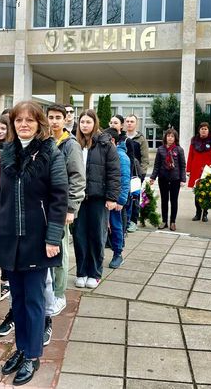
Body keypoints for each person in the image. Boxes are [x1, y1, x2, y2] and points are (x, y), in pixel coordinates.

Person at [0, 101, 68, 386]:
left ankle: (33, 354)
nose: (24, 124)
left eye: (29, 120)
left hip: (37, 239)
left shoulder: (51, 153)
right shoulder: (7, 154)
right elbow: (0, 195)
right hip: (9, 238)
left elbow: (59, 198)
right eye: (19, 120)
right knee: (17, 300)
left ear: (39, 123)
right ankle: (22, 348)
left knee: (34, 300)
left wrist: (53, 238)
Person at [36, 104, 86, 343]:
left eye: (58, 118)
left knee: (60, 251)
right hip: (41, 206)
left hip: (60, 207)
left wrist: (71, 208)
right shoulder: (43, 142)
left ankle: (58, 292)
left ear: (66, 120)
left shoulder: (70, 145)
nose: (54, 121)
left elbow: (77, 177)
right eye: (51, 117)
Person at [74, 110, 120, 289]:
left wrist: (112, 197)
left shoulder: (105, 144)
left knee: (96, 236)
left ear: (95, 124)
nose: (85, 125)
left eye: (88, 122)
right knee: (79, 236)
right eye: (82, 122)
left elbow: (114, 172)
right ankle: (82, 271)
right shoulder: (75, 143)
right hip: (79, 198)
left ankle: (95, 272)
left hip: (98, 198)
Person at [150, 128, 186, 231]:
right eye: (168, 136)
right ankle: (164, 221)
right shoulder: (161, 149)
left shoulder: (179, 149)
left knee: (174, 201)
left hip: (175, 179)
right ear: (165, 137)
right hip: (163, 178)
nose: (170, 138)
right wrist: (153, 177)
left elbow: (183, 166)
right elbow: (156, 165)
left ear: (175, 138)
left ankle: (173, 222)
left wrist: (183, 179)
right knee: (164, 200)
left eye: (172, 136)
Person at [103, 127, 130, 267]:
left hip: (116, 199)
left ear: (112, 140)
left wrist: (120, 200)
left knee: (116, 226)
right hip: (105, 197)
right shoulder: (107, 153)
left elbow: (125, 180)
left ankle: (118, 254)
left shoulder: (122, 157)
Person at [187, 122, 211, 222]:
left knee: (206, 193)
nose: (203, 130)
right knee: (197, 193)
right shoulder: (194, 140)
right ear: (199, 130)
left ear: (208, 130)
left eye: (205, 129)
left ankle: (205, 213)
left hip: (207, 170)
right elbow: (190, 155)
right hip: (196, 169)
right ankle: (198, 213)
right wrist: (188, 169)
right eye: (202, 129)